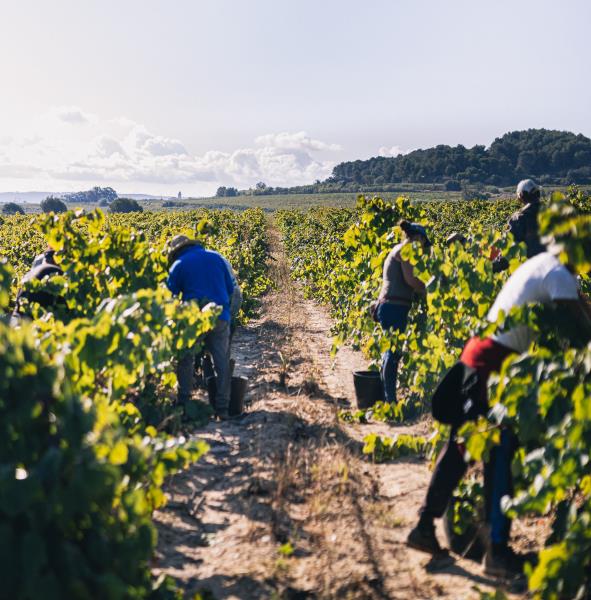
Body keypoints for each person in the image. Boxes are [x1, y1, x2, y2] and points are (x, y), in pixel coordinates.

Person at [407, 247, 591, 579]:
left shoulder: (542, 265)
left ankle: (424, 526)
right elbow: (579, 333)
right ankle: (498, 552)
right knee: (500, 451)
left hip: (476, 358)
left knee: (462, 447)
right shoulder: (559, 275)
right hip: (491, 368)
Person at [167, 234, 235, 419]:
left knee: (186, 359)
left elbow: (169, 298)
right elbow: (230, 289)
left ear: (176, 251)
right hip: (220, 314)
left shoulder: (179, 265)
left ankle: (184, 404)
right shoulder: (216, 258)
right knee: (221, 362)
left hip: (193, 319)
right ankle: (222, 409)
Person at [377, 220, 431, 404]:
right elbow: (412, 282)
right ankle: (390, 400)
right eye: (423, 243)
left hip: (391, 306)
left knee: (390, 352)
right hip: (393, 307)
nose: (423, 248)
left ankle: (386, 397)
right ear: (418, 238)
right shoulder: (405, 251)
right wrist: (432, 288)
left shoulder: (399, 250)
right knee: (393, 353)